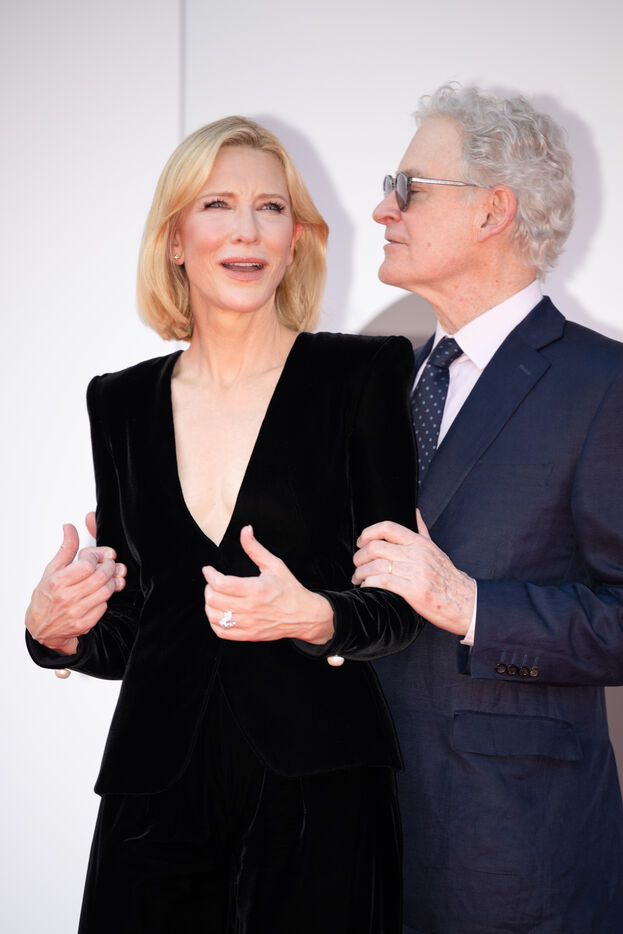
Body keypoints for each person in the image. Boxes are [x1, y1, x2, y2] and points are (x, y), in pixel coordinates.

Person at [25, 116, 422, 934]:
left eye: (270, 208)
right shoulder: (120, 402)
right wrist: (54, 634)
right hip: (155, 793)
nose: (247, 231)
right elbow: (142, 628)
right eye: (218, 205)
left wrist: (315, 614)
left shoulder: (360, 374)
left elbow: (396, 607)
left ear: (294, 238)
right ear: (175, 239)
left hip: (321, 788)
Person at [353, 85, 623, 933]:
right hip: (356, 836)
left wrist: (468, 604)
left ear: (491, 210)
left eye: (407, 188)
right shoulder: (379, 383)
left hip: (515, 857)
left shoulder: (604, 386)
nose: (382, 209)